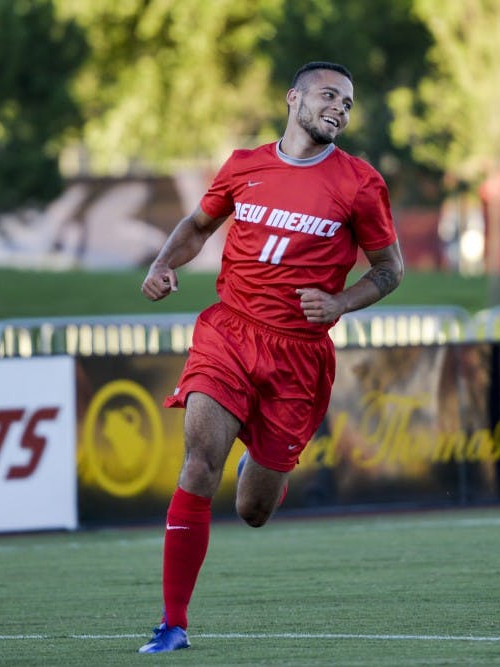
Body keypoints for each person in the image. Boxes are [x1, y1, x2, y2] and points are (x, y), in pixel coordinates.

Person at [137, 61, 404, 654]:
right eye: (329, 95)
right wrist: (162, 264)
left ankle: (265, 475)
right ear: (294, 99)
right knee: (199, 460)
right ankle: (173, 623)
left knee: (253, 509)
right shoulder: (243, 166)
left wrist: (339, 300)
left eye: (349, 103)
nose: (340, 107)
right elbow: (198, 225)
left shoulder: (359, 184)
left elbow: (390, 271)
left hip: (299, 358)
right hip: (229, 333)